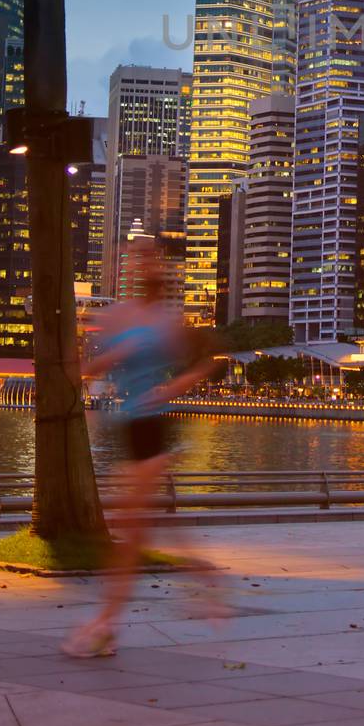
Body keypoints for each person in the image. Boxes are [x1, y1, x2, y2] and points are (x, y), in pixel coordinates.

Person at [63, 238, 225, 658]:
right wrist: (100, 361)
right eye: (139, 258)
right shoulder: (117, 315)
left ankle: (105, 626)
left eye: (152, 259)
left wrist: (172, 386)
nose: (147, 265)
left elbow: (207, 363)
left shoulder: (168, 323)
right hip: (127, 427)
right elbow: (93, 366)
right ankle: (204, 576)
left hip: (152, 428)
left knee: (129, 535)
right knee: (140, 529)